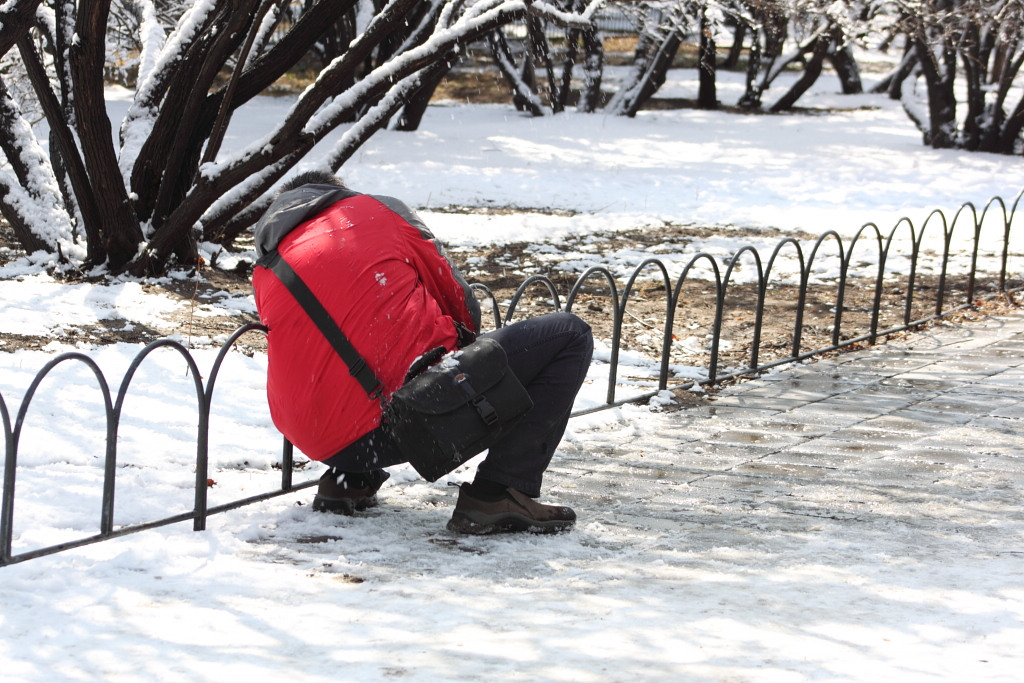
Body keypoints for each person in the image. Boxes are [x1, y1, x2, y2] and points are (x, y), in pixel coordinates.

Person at [251, 171, 593, 534]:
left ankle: (348, 481)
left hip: (318, 438)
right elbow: (460, 302)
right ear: (336, 193)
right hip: (406, 419)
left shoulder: (269, 265)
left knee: (353, 351)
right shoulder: (375, 212)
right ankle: (500, 491)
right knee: (571, 335)